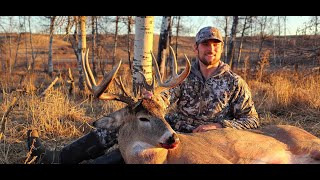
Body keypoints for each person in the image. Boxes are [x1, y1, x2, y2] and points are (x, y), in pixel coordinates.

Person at [26, 26, 259, 164]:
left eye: (215, 45)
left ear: (220, 48)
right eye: (206, 44)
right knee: (129, 120)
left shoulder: (235, 82)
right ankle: (57, 158)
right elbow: (164, 99)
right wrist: (151, 100)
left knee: (136, 149)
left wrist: (219, 126)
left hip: (208, 142)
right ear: (196, 48)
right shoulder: (183, 77)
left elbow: (252, 121)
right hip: (176, 128)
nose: (211, 49)